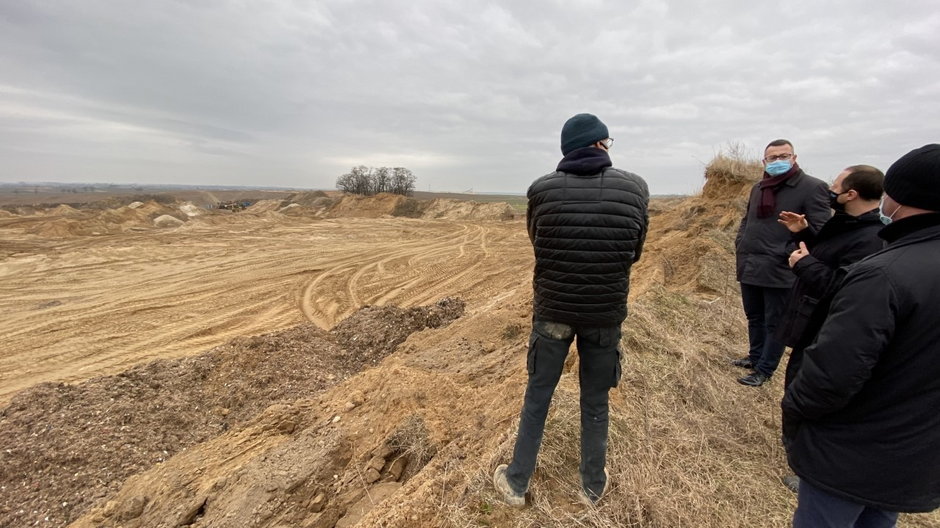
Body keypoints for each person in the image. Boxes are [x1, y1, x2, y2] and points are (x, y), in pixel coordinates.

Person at [493, 113, 649, 507]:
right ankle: (592, 487)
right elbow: (634, 253)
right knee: (595, 401)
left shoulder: (540, 190)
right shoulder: (635, 188)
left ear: (566, 149)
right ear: (600, 144)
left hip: (553, 313)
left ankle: (516, 484)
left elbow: (538, 244)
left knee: (537, 396)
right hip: (604, 316)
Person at [782, 144, 940, 526]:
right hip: (913, 446)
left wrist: (795, 411)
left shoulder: (885, 273)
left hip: (852, 449)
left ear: (900, 197)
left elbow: (832, 374)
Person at [774, 165, 886, 492]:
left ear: (851, 194)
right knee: (797, 389)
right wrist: (804, 233)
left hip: (827, 328)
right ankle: (801, 457)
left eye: (835, 185)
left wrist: (804, 265)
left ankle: (807, 468)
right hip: (813, 324)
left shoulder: (871, 238)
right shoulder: (849, 225)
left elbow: (844, 286)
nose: (829, 190)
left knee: (805, 396)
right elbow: (829, 257)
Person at [732, 139, 830, 387]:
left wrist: (795, 240)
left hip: (780, 266)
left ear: (794, 157)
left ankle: (765, 369)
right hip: (751, 262)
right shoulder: (759, 187)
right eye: (772, 158)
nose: (777, 161)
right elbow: (747, 220)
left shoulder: (812, 187)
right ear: (764, 161)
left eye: (783, 156)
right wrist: (741, 243)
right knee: (754, 316)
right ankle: (755, 357)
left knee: (776, 321)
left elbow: (821, 231)